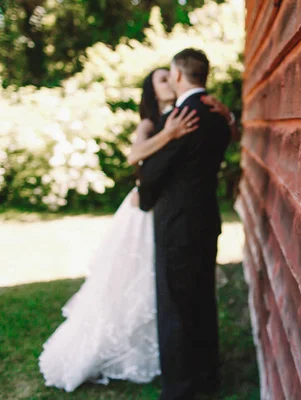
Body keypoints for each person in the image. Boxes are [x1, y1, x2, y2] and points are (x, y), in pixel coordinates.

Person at [38, 67, 234, 393]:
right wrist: (168, 134)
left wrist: (227, 117)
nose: (169, 80)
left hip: (172, 210)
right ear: (153, 90)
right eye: (161, 79)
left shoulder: (188, 114)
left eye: (169, 75)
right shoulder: (151, 122)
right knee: (139, 282)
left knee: (165, 287)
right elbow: (134, 156)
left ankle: (172, 359)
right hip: (147, 210)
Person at [137, 48, 232, 400]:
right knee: (203, 302)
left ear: (178, 75)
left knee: (176, 311)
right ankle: (208, 379)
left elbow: (151, 172)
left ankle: (180, 391)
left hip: (177, 228)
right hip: (207, 221)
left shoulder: (181, 117)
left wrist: (145, 200)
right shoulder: (219, 114)